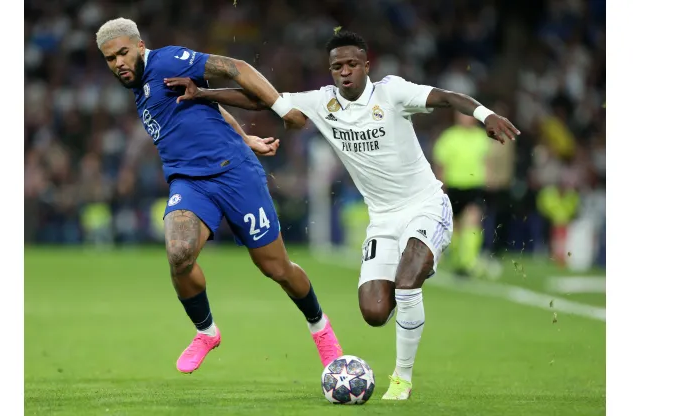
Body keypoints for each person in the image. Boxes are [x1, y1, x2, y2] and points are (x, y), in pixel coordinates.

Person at [165, 30, 520, 400]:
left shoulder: (392, 92)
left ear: (367, 65)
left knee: (408, 282)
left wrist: (485, 113)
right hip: (382, 217)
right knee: (374, 311)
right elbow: (260, 100)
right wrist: (205, 94)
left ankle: (401, 378)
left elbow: (446, 97)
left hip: (425, 204)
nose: (345, 72)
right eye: (337, 66)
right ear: (330, 70)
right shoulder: (322, 102)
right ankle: (414, 275)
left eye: (352, 64)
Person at [95, 17, 343, 375]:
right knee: (179, 254)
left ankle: (320, 328)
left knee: (276, 268)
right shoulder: (138, 87)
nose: (117, 63)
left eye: (121, 53)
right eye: (109, 58)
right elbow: (204, 108)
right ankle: (206, 331)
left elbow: (235, 68)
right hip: (191, 183)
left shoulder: (166, 61)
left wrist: (282, 109)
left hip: (236, 175)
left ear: (139, 46)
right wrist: (246, 137)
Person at [432, 110, 492, 277]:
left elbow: (486, 162)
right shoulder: (448, 137)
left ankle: (468, 262)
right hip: (454, 186)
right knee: (456, 228)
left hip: (474, 186)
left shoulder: (482, 138)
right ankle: (459, 260)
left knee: (472, 223)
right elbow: (441, 165)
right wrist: (440, 189)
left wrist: (488, 182)